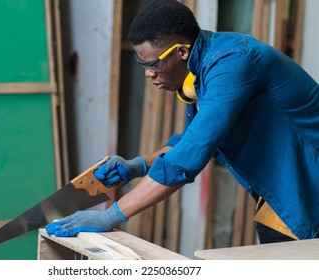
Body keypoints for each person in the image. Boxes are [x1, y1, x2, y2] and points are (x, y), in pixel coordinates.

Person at [46, 0, 319, 244]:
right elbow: (191, 141)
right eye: (143, 65)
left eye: (153, 64)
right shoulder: (206, 65)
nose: (149, 74)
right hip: (284, 188)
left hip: (307, 182)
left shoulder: (231, 64)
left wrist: (109, 217)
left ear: (181, 52)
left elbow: (187, 160)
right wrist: (135, 166)